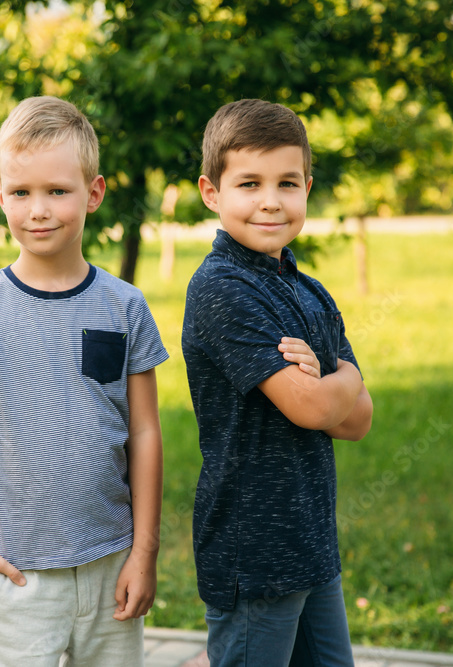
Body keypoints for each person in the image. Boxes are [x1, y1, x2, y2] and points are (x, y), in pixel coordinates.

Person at [0, 95, 169, 666]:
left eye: (57, 191)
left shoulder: (125, 307)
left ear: (94, 192)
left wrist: (144, 552)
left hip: (111, 564)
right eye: (21, 192)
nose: (38, 209)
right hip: (16, 572)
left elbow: (146, 433)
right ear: (0, 194)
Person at [181, 98, 374, 666]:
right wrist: (350, 376)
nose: (271, 201)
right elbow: (315, 410)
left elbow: (359, 422)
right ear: (211, 192)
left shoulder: (311, 291)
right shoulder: (221, 288)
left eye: (287, 183)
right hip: (255, 554)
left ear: (307, 189)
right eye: (249, 183)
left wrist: (335, 386)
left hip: (312, 543)